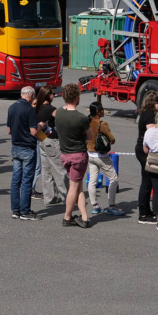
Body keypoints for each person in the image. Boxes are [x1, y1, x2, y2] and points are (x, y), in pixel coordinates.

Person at [55, 84, 93, 228]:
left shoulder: (58, 112)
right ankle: (67, 216)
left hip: (65, 154)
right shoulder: (81, 118)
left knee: (78, 186)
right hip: (78, 155)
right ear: (77, 97)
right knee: (74, 186)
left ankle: (84, 216)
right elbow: (90, 136)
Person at [7, 86, 40, 221]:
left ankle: (15, 210)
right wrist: (41, 127)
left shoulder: (12, 107)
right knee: (27, 180)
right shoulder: (29, 110)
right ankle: (25, 211)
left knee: (16, 180)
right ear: (31, 95)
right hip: (27, 147)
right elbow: (33, 132)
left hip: (16, 146)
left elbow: (9, 130)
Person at [86, 102, 124, 217]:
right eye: (102, 109)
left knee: (92, 181)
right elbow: (112, 139)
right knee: (113, 179)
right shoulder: (102, 124)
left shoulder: (87, 121)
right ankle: (111, 206)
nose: (103, 111)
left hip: (90, 155)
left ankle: (95, 206)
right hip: (101, 156)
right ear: (98, 111)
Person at [135, 91, 158, 225]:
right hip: (145, 151)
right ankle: (143, 213)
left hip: (144, 149)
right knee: (147, 182)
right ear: (155, 103)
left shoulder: (148, 113)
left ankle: (146, 211)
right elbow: (153, 133)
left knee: (146, 181)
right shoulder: (149, 115)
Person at [34, 86, 67, 206]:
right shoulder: (51, 109)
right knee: (59, 170)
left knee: (46, 170)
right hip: (52, 141)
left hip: (42, 140)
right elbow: (63, 119)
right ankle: (66, 197)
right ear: (48, 95)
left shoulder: (38, 108)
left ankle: (49, 197)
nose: (54, 96)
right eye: (52, 94)